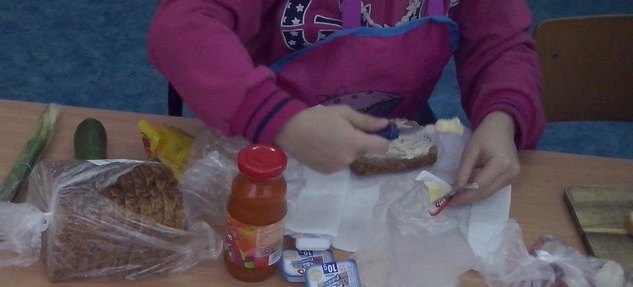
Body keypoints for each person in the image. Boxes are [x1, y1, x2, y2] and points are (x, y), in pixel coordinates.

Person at [148, 0, 545, 208]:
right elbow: (181, 28)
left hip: (389, 145)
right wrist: (278, 120)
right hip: (261, 146)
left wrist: (503, 117)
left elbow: (501, 46)